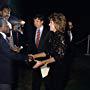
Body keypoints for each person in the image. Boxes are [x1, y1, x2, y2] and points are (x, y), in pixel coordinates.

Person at [28, 12, 67, 90]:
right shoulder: (54, 35)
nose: (49, 24)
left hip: (57, 70)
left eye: (51, 22)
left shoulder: (61, 36)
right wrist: (34, 56)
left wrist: (42, 62)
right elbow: (48, 52)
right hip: (51, 67)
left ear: (57, 24)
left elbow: (58, 57)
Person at [0, 17, 28, 90]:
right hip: (3, 75)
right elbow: (10, 54)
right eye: (6, 25)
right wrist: (26, 57)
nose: (8, 27)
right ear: (1, 27)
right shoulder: (1, 39)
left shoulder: (3, 37)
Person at [28, 14, 49, 90]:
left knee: (47, 81)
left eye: (37, 21)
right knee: (35, 82)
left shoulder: (48, 32)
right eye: (34, 21)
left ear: (42, 22)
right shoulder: (32, 31)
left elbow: (48, 49)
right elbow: (31, 45)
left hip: (45, 61)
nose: (35, 23)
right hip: (35, 61)